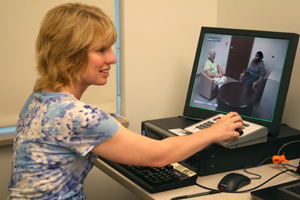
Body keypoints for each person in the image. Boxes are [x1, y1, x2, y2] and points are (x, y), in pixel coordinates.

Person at [7, 3, 243, 199]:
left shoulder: (38, 99)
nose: (112, 58)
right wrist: (214, 131)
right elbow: (159, 155)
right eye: (101, 50)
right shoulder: (77, 116)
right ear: (69, 54)